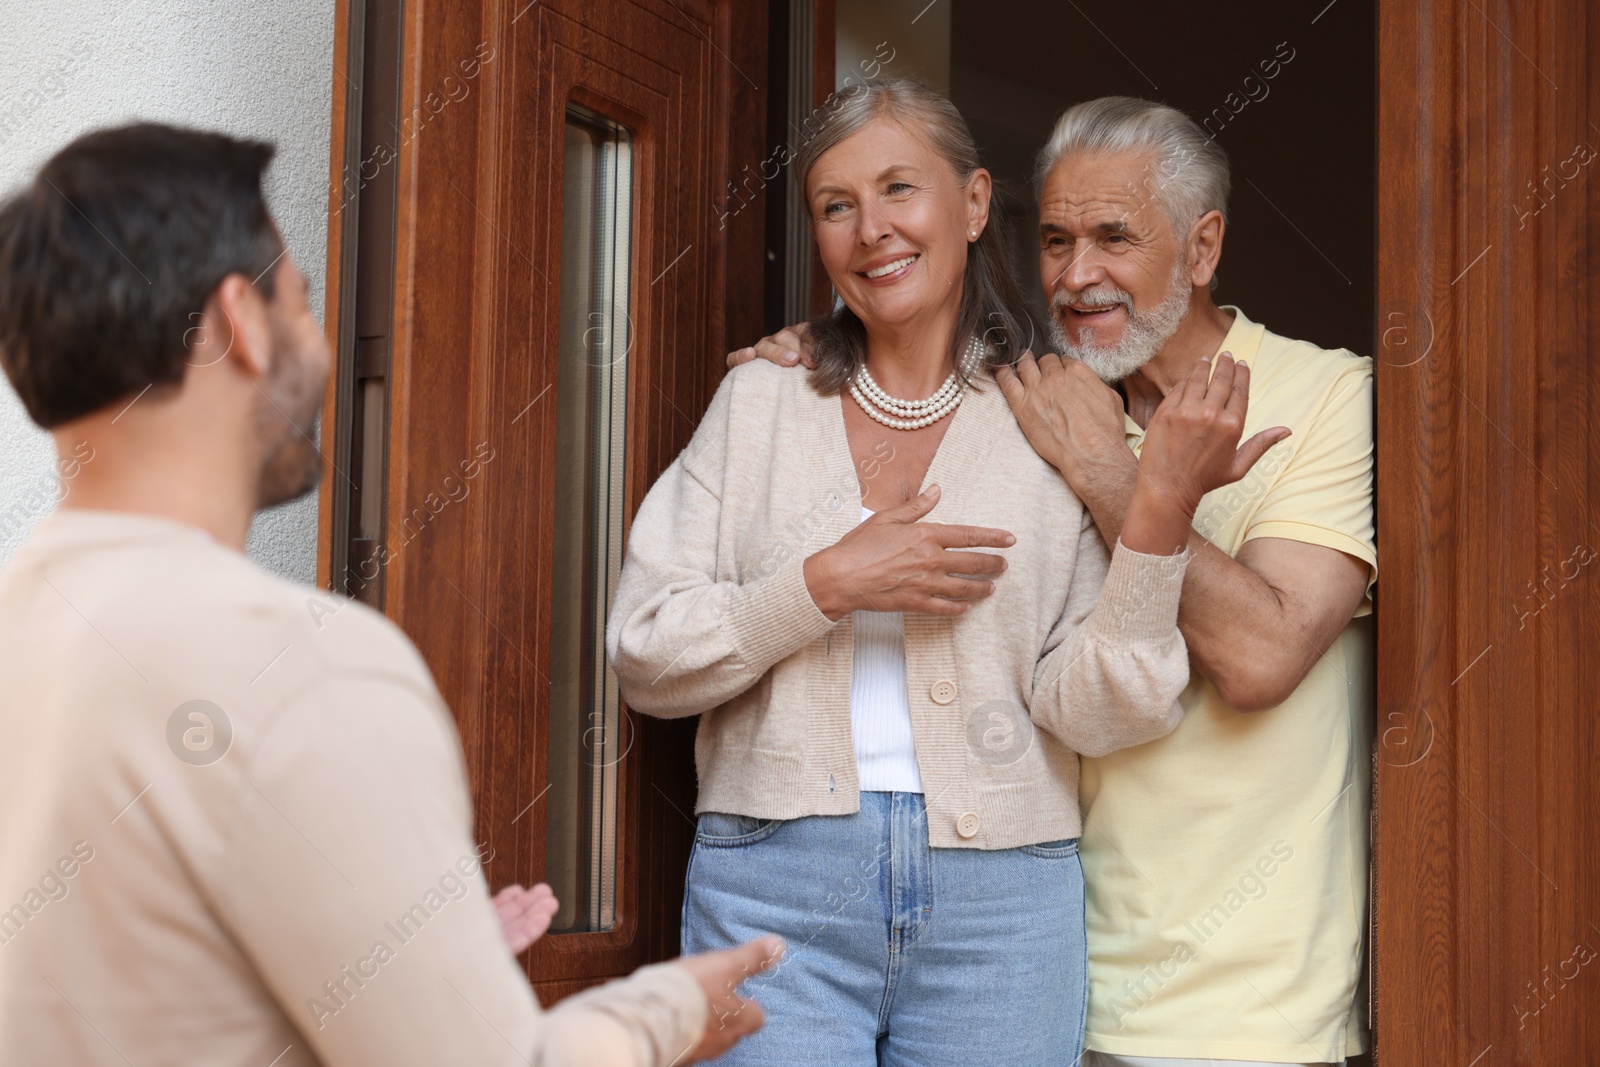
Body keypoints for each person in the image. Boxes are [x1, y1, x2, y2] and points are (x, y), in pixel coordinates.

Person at [0, 122, 779, 1067]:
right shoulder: (305, 666)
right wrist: (659, 1012)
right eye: (301, 302)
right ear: (236, 324)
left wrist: (406, 976)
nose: (320, 345)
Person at [609, 79, 1281, 1066]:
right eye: (836, 206)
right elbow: (644, 653)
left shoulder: (1056, 415)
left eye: (897, 189)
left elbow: (1102, 710)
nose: (870, 229)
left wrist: (1157, 523)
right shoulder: (760, 400)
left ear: (971, 204)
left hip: (1003, 904)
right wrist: (822, 585)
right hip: (772, 891)